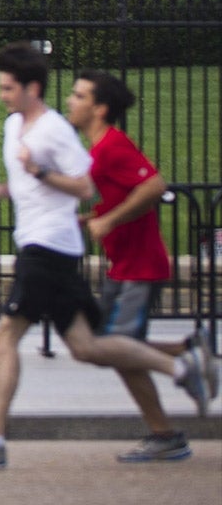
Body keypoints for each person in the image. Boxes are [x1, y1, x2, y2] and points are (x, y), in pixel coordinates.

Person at [0, 43, 212, 468]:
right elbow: (35, 188)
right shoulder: (14, 127)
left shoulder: (54, 131)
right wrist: (2, 190)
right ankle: (181, 369)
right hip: (49, 246)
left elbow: (85, 188)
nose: (2, 95)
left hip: (47, 248)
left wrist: (40, 172)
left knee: (4, 338)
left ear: (32, 88)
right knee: (86, 346)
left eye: (9, 88)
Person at [67, 68, 218, 462]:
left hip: (140, 268)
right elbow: (119, 198)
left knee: (116, 349)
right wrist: (90, 221)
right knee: (113, 347)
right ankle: (185, 354)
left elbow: (154, 186)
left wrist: (110, 221)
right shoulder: (98, 151)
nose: (70, 101)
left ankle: (167, 429)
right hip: (124, 266)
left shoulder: (113, 145)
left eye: (79, 96)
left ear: (99, 109)